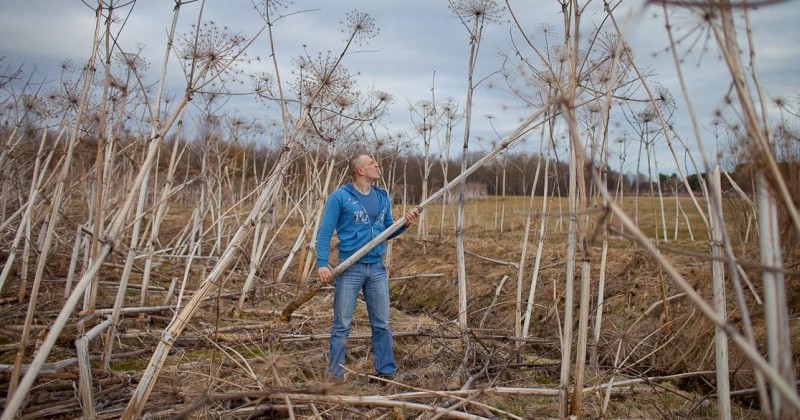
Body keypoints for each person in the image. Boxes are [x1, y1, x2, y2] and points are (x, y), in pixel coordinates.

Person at [316, 154, 418, 381]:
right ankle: (334, 376)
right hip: (349, 268)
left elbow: (388, 230)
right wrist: (322, 264)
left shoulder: (382, 196)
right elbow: (324, 232)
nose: (377, 166)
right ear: (360, 170)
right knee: (342, 324)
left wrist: (405, 224)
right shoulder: (340, 197)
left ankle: (386, 372)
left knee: (382, 323)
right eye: (372, 163)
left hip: (376, 269)